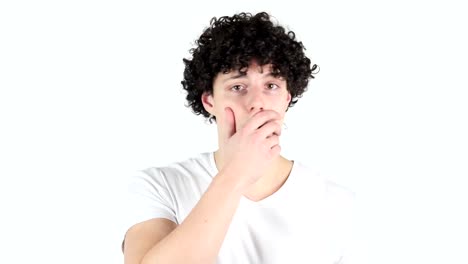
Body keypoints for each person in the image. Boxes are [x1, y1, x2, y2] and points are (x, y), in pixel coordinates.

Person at [122, 11, 356, 264]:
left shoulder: (336, 201)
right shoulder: (159, 185)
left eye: (271, 86)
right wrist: (236, 173)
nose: (257, 102)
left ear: (287, 98)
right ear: (209, 100)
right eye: (238, 87)